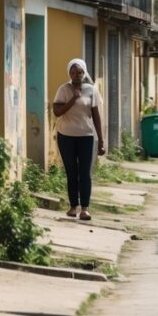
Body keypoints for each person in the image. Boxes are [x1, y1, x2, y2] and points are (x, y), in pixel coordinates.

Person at [52, 58, 105, 220]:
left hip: (86, 137)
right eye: (73, 72)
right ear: (69, 73)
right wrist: (73, 99)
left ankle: (85, 209)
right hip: (66, 137)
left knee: (85, 173)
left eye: (80, 72)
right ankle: (73, 206)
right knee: (71, 172)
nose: (76, 75)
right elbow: (57, 112)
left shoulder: (91, 90)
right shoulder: (63, 90)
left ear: (84, 73)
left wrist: (101, 141)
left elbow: (96, 116)